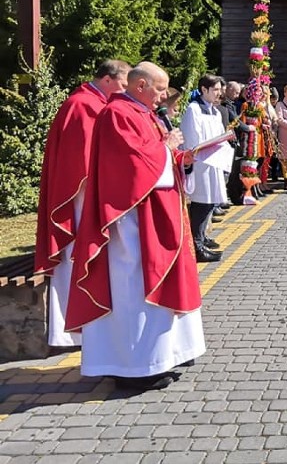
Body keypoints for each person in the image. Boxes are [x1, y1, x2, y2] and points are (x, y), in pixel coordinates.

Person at [66, 62, 205, 391]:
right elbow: (131, 167)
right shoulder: (119, 114)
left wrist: (178, 156)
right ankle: (133, 369)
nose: (162, 97)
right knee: (135, 290)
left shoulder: (140, 112)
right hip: (131, 223)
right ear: (140, 84)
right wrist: (167, 148)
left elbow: (151, 156)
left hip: (154, 215)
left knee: (152, 288)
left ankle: (157, 359)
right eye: (159, 89)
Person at [34, 59, 130, 348]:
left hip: (86, 198)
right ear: (107, 80)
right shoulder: (83, 106)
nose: (124, 91)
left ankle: (85, 327)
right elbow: (84, 164)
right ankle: (72, 331)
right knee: (75, 260)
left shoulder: (91, 102)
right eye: (123, 85)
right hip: (78, 201)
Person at [181, 75, 229, 263]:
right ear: (204, 89)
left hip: (214, 162)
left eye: (219, 89)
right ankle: (196, 244)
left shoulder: (214, 111)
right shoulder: (194, 110)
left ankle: (201, 239)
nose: (219, 93)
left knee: (211, 202)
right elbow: (191, 139)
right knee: (201, 202)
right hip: (201, 163)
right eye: (215, 89)